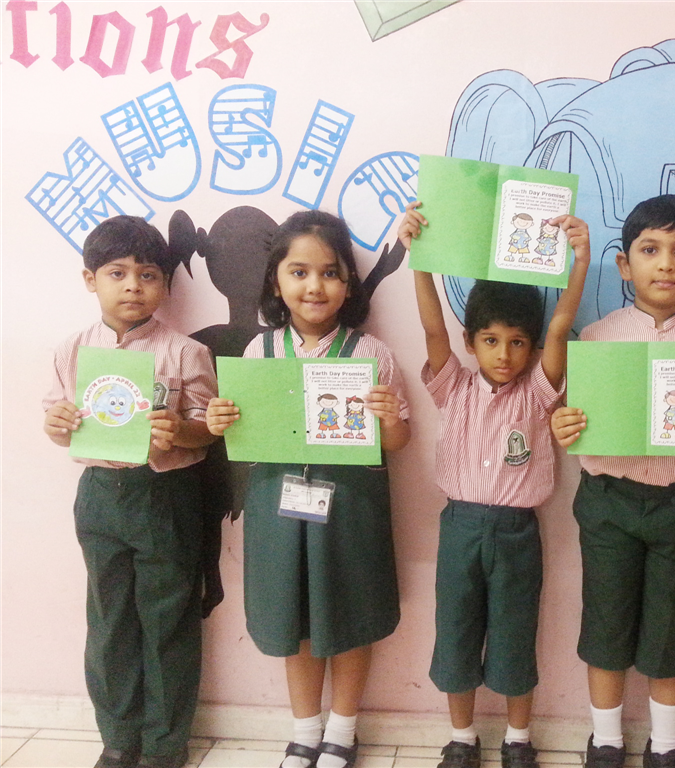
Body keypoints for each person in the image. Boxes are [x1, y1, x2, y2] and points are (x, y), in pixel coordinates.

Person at [550, 195, 675, 768]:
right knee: (606, 622)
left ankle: (665, 745)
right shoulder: (596, 338)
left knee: (671, 626)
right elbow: (569, 414)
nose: (665, 264)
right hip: (608, 501)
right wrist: (562, 422)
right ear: (624, 264)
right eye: (650, 250)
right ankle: (606, 741)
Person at [206, 211, 411, 768]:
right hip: (277, 509)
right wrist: (222, 421)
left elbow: (398, 442)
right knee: (291, 618)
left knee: (350, 617)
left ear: (349, 283)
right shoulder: (260, 352)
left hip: (351, 511)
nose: (314, 285)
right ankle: (305, 731)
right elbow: (243, 438)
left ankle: (343, 731)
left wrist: (390, 418)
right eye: (299, 272)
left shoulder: (370, 354)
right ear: (277, 282)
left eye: (330, 272)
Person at [398, 201, 591, 768]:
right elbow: (432, 326)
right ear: (470, 341)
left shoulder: (539, 392)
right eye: (490, 340)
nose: (504, 355)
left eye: (517, 342)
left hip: (516, 532)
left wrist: (579, 261)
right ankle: (461, 738)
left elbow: (560, 325)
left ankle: (518, 738)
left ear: (532, 347)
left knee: (514, 633)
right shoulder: (453, 386)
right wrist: (419, 257)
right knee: (456, 631)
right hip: (459, 528)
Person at [42, 216, 219, 768]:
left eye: (148, 275)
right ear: (90, 280)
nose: (133, 287)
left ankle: (165, 745)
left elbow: (209, 430)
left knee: (168, 620)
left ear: (165, 284)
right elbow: (58, 420)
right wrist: (58, 424)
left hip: (164, 493)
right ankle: (118, 738)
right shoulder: (72, 350)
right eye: (116, 273)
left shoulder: (185, 352)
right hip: (99, 494)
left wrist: (180, 430)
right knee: (108, 620)